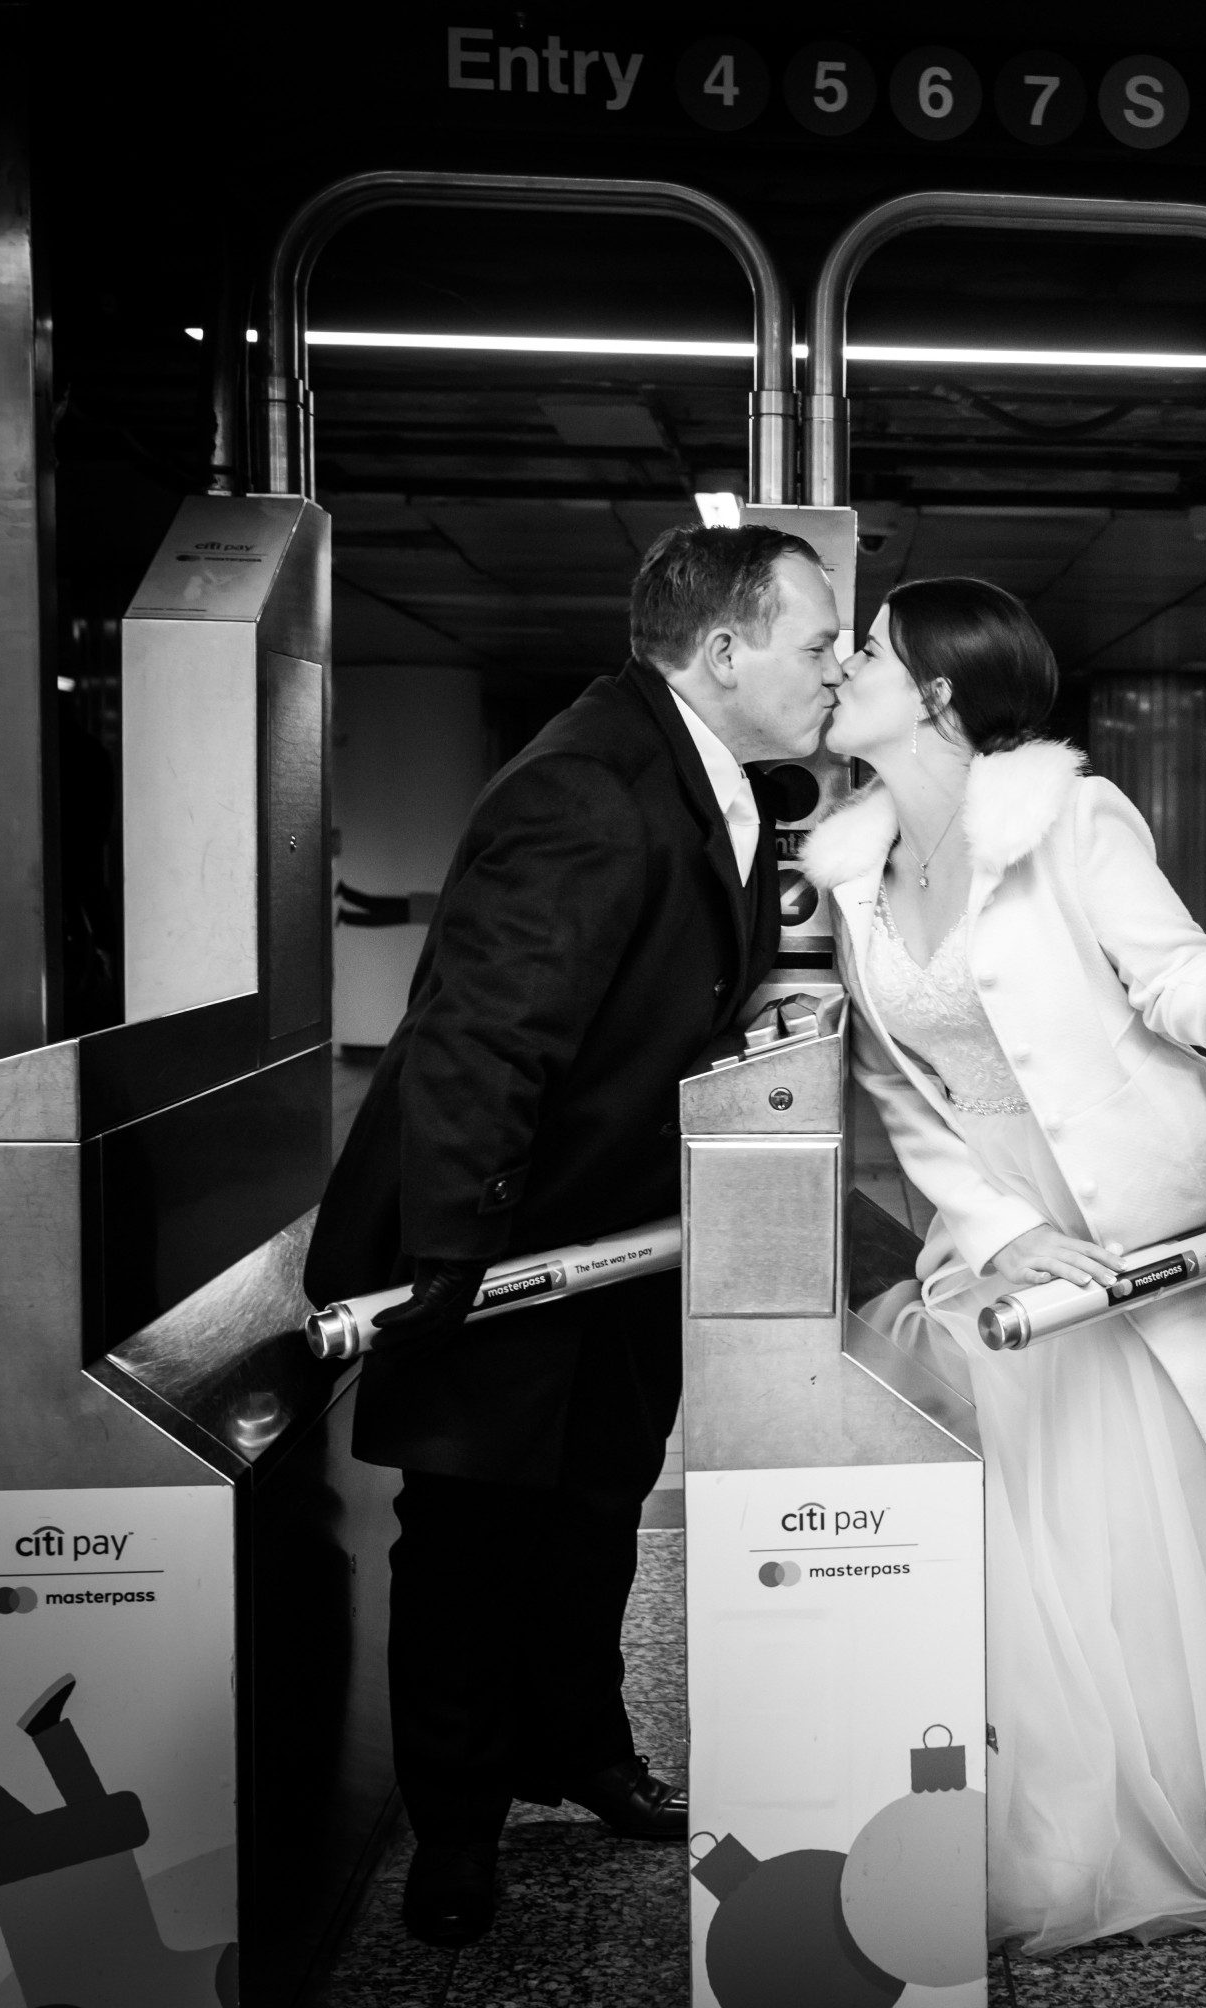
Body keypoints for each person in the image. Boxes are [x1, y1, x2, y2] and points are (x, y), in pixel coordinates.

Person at [800, 576, 1206, 1953]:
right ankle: (1068, 1823)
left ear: (939, 692)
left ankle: (1198, 1799)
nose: (841, 669)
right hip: (1003, 1228)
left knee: (1183, 1529)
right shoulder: (850, 865)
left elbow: (1175, 983)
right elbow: (893, 1089)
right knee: (1042, 1525)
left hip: (1153, 1209)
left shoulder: (1071, 816)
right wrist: (999, 1229)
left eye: (867, 652)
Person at [303, 524, 841, 1945]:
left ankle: (579, 1746)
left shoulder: (709, 773)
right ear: (722, 652)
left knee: (597, 1506)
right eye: (818, 644)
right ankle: (457, 1827)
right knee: (470, 1533)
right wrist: (457, 1258)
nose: (838, 670)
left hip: (620, 1231)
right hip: (501, 1233)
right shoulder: (589, 789)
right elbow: (486, 1035)